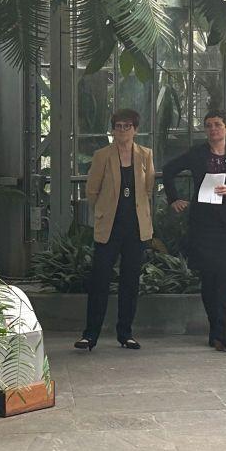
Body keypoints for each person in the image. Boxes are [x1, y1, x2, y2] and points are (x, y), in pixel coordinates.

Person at [162, 110, 226, 354]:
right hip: (203, 225)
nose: (213, 129)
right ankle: (215, 331)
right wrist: (174, 199)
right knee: (208, 281)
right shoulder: (197, 153)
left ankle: (225, 335)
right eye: (208, 126)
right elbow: (169, 170)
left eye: (217, 125)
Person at [74, 109, 155, 351]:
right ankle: (90, 335)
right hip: (109, 225)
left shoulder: (145, 155)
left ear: (135, 129)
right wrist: (103, 210)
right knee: (100, 279)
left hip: (136, 226)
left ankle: (126, 333)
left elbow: (148, 188)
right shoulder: (102, 155)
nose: (122, 130)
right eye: (118, 126)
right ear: (112, 130)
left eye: (127, 126)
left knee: (130, 281)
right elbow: (92, 189)